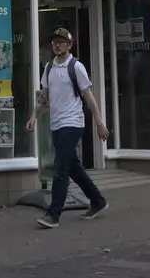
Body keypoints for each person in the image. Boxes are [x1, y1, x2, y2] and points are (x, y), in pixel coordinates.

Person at [26, 26, 109, 229]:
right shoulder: (49, 68)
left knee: (60, 169)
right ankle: (98, 201)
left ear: (69, 45)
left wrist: (99, 123)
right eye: (55, 41)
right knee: (73, 168)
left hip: (72, 123)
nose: (57, 44)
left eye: (62, 41)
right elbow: (44, 95)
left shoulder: (76, 67)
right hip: (56, 123)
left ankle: (53, 215)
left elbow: (89, 98)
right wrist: (34, 115)